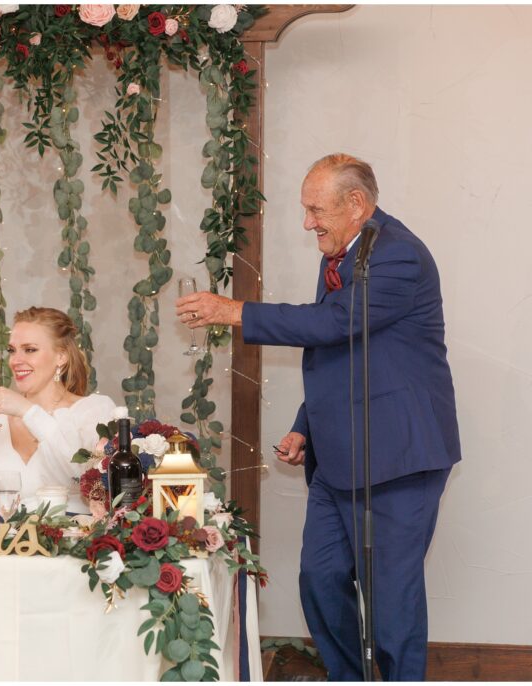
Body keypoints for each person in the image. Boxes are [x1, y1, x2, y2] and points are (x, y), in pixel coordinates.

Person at [176, 154, 460, 680]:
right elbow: (343, 350)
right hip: (338, 460)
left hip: (397, 459)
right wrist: (306, 424)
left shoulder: (398, 257)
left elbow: (334, 323)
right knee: (320, 578)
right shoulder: (344, 250)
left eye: (315, 209)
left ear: (357, 204)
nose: (308, 222)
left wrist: (233, 310)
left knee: (391, 606)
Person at [0, 307, 116, 513]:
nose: (15, 360)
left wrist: (28, 412)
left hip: (75, 541)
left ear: (61, 356)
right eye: (12, 350)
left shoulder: (94, 411)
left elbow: (82, 480)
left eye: (30, 349)